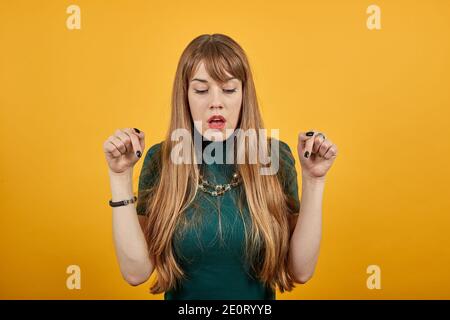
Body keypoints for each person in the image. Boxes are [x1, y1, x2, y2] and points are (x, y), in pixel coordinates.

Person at [102, 33, 338, 300]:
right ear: (185, 96)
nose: (216, 102)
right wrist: (119, 176)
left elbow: (301, 271)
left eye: (228, 89)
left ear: (243, 95)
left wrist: (314, 180)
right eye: (202, 90)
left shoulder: (272, 156)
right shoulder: (162, 159)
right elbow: (136, 273)